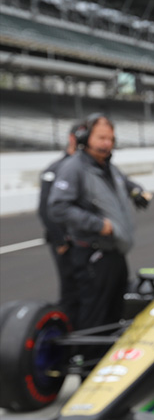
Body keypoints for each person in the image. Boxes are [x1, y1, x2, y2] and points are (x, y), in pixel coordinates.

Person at [48, 113, 152, 332]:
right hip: (92, 256)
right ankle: (86, 362)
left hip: (114, 253)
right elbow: (58, 207)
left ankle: (109, 359)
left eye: (111, 139)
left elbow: (124, 183)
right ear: (86, 138)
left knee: (115, 311)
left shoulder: (107, 167)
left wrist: (138, 193)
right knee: (95, 314)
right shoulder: (73, 168)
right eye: (102, 138)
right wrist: (98, 225)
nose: (107, 144)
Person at [38, 122, 82, 320]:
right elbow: (45, 209)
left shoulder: (86, 167)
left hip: (84, 239)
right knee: (71, 288)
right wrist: (60, 241)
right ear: (72, 138)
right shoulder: (56, 168)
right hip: (66, 241)